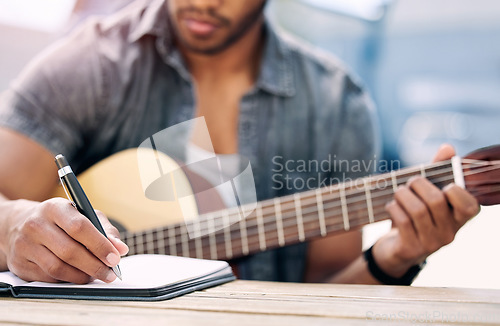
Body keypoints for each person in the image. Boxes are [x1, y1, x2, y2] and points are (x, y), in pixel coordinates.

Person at [0, 0, 481, 285]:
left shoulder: (337, 102)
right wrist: (14, 225)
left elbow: (326, 291)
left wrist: (397, 254)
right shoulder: (91, 64)